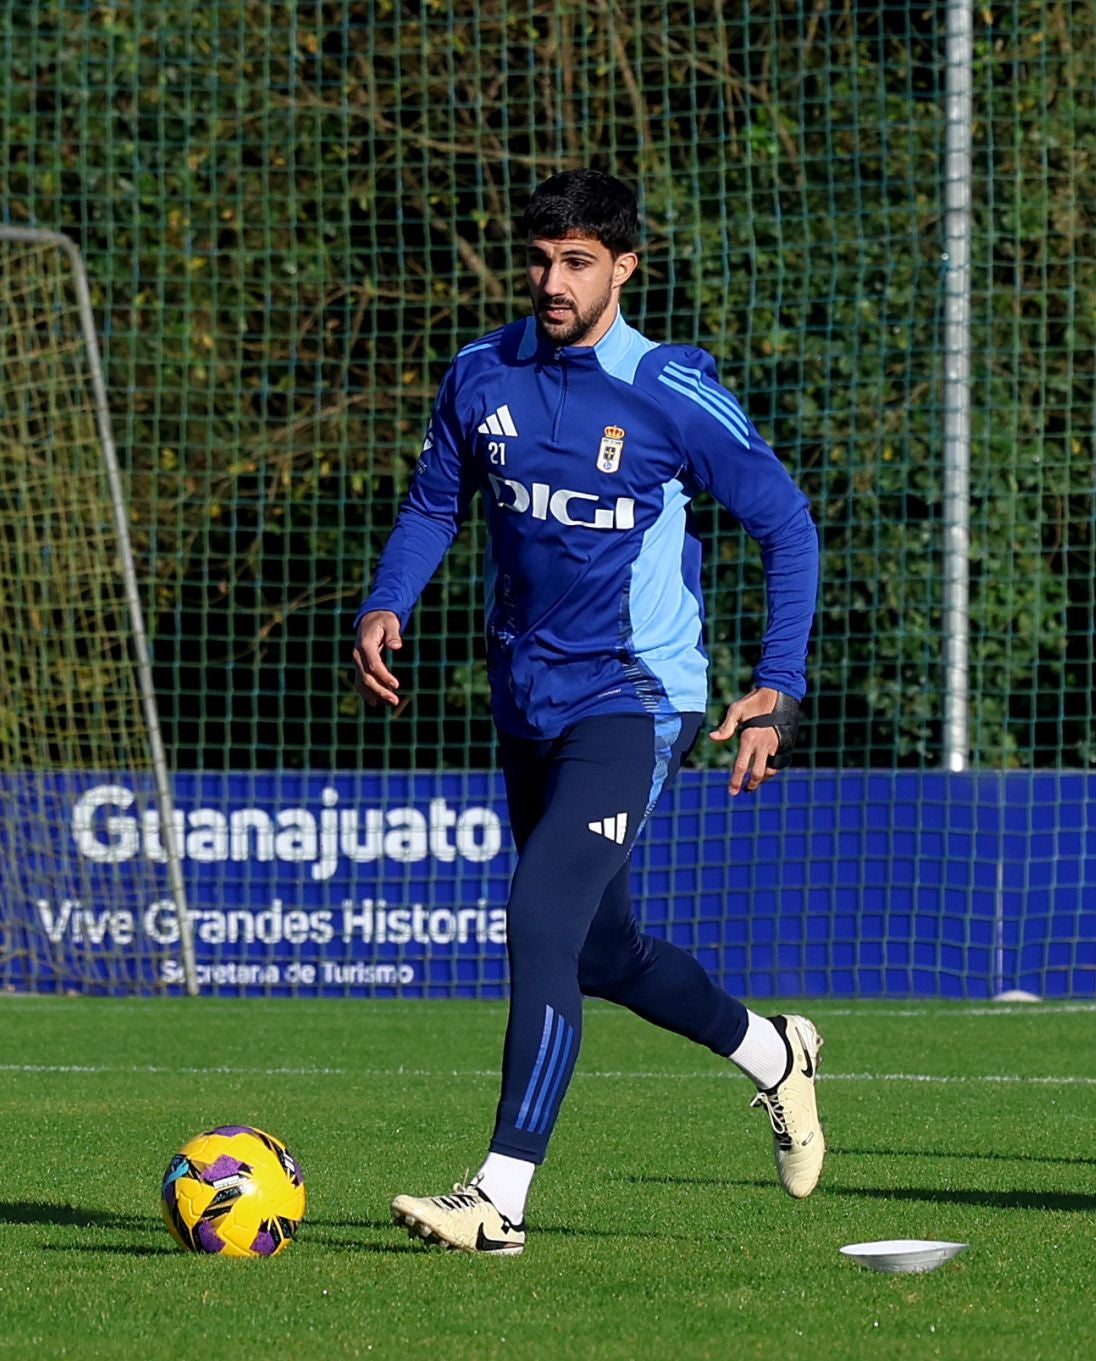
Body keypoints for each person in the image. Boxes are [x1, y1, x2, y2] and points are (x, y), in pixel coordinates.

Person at [351, 169, 823, 1255]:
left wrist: (775, 687)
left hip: (637, 695)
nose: (551, 281)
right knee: (603, 951)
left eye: (576, 262)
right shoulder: (481, 374)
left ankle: (500, 1197)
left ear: (623, 267)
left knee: (539, 918)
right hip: (527, 696)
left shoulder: (670, 388)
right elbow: (435, 501)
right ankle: (775, 1055)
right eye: (540, 258)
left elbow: (786, 524)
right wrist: (387, 600)